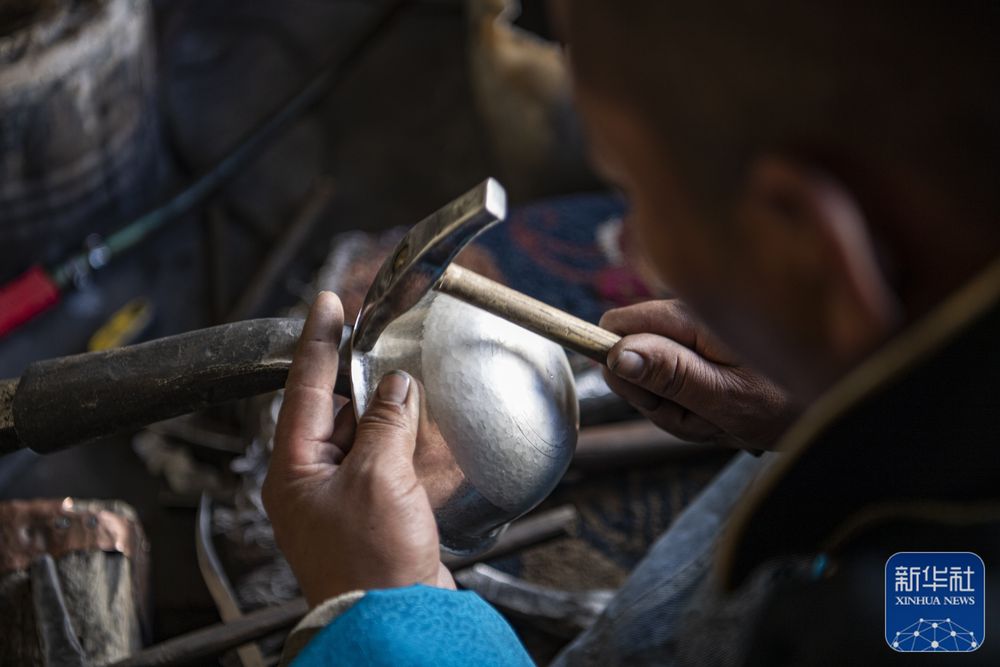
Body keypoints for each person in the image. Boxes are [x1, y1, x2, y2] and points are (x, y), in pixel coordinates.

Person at [262, 1, 1000, 664]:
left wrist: (395, 614)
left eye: (632, 191)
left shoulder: (901, 624)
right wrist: (834, 390)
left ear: (806, 258)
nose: (628, 240)